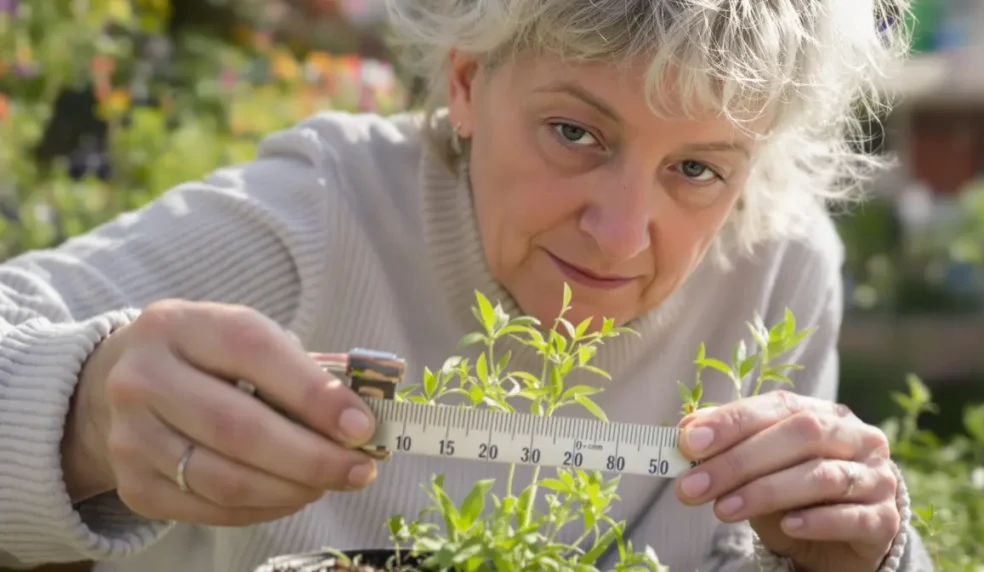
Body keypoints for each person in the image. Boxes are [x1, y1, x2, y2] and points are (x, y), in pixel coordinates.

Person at [0, 1, 933, 571]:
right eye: (576, 133)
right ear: (467, 84)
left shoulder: (781, 269)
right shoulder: (323, 214)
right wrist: (82, 412)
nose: (617, 231)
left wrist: (863, 557)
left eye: (697, 170)